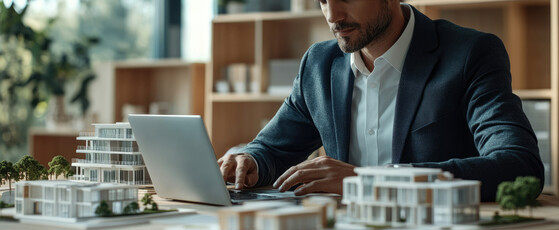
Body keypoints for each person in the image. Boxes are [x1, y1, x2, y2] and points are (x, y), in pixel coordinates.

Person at [218, 0, 544, 202]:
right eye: (321, 0)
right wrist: (249, 162)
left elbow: (518, 166)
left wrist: (368, 181)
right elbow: (273, 149)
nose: (333, 15)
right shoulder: (319, 64)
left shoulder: (469, 54)